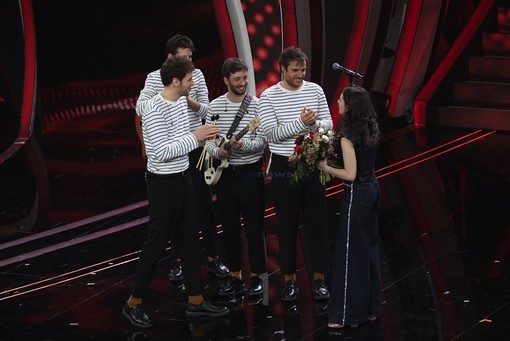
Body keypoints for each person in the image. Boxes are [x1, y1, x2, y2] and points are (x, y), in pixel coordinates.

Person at [122, 56, 229, 329]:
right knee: (156, 244)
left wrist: (203, 136)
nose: (192, 84)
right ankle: (132, 304)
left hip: (184, 179)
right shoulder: (154, 110)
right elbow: (161, 152)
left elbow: (181, 140)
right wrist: (196, 136)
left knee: (191, 240)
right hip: (163, 184)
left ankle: (196, 301)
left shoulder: (181, 101)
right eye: (189, 79)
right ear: (175, 80)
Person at [135, 34, 230, 283]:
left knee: (203, 204)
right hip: (170, 151)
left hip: (195, 145)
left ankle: (212, 256)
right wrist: (167, 98)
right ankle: (178, 261)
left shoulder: (195, 77)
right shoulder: (156, 80)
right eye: (184, 58)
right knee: (174, 214)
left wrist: (188, 101)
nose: (190, 62)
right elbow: (140, 108)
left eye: (191, 57)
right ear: (170, 59)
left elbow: (208, 109)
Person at [258, 46, 332, 302]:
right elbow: (272, 134)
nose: (301, 74)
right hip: (283, 166)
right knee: (287, 225)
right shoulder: (268, 97)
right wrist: (301, 123)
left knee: (317, 225)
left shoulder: (316, 90)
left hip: (312, 163)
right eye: (295, 70)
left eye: (303, 69)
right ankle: (289, 280)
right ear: (283, 69)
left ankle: (320, 279)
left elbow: (329, 124)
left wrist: (314, 124)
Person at [316, 86, 382, 329]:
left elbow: (350, 174)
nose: (338, 104)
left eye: (341, 100)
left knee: (348, 254)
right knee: (369, 250)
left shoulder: (347, 135)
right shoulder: (372, 126)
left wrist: (325, 167)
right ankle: (371, 309)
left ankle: (345, 315)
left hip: (358, 194)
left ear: (350, 106)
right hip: (373, 188)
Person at [205, 58, 267, 298]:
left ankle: (258, 276)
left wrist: (242, 146)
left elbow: (262, 141)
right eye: (237, 79)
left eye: (245, 78)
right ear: (226, 80)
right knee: (229, 228)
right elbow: (208, 142)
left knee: (254, 227)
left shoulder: (256, 105)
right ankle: (235, 275)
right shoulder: (214, 107)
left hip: (251, 173)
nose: (243, 83)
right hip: (225, 176)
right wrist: (219, 151)